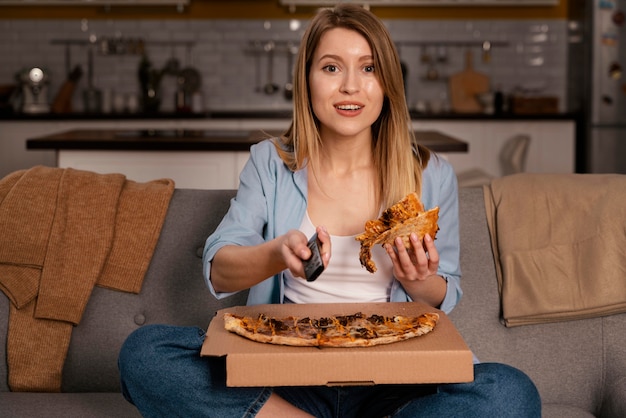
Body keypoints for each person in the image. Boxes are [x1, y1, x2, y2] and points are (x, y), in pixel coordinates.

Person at [118, 4, 541, 417]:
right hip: (285, 377)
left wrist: (421, 280)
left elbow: (443, 298)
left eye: (369, 68)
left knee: (510, 393)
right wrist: (275, 254)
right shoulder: (272, 163)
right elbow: (218, 269)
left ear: (388, 82)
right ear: (307, 81)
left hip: (394, 382)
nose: (351, 87)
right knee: (144, 354)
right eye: (331, 67)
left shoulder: (429, 173)